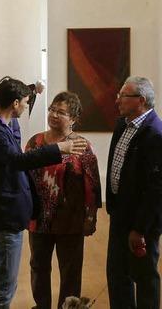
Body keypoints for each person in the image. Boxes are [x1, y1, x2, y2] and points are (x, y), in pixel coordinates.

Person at [0, 77, 87, 309]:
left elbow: (90, 182)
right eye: (26, 102)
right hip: (6, 215)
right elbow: (18, 160)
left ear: (74, 119)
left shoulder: (8, 124)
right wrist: (60, 148)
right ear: (15, 104)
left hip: (60, 220)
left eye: (61, 112)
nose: (28, 105)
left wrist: (30, 89)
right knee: (4, 284)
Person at [26, 92, 102, 309]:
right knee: (38, 266)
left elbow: (93, 186)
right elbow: (24, 178)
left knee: (70, 270)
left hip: (71, 220)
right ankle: (41, 306)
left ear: (74, 118)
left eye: (61, 112)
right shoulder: (35, 142)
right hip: (38, 218)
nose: (54, 115)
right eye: (52, 109)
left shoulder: (82, 146)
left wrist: (90, 217)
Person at [106, 76, 162, 309]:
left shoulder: (155, 134)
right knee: (117, 276)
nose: (117, 100)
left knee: (145, 278)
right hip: (120, 215)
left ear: (140, 100)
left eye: (123, 96)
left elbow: (156, 191)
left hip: (141, 224)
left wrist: (140, 229)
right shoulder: (123, 124)